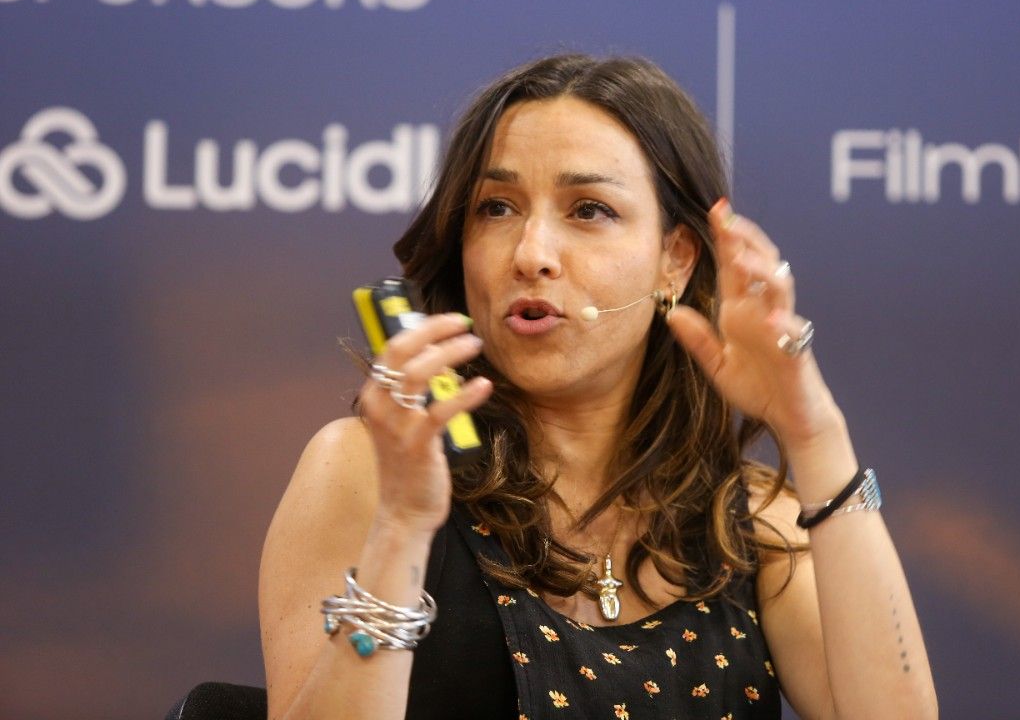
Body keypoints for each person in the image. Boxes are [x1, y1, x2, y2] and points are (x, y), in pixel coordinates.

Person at [259, 53, 937, 719]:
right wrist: (403, 531)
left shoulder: (754, 527)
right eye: (496, 208)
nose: (531, 254)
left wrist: (815, 434)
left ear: (675, 261)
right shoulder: (366, 472)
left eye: (588, 210)